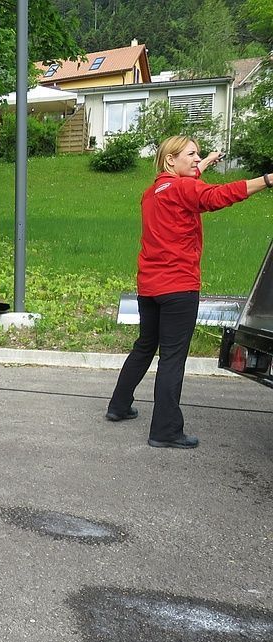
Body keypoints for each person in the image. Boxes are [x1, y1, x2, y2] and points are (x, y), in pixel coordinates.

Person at [107, 136, 272, 449]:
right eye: (192, 154)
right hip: (178, 287)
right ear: (171, 160)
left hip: (149, 287)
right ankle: (165, 431)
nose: (197, 158)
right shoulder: (184, 188)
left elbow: (190, 185)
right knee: (172, 358)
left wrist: (205, 162)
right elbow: (217, 195)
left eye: (199, 155)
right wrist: (266, 180)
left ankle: (118, 405)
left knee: (145, 346)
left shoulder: (152, 192)